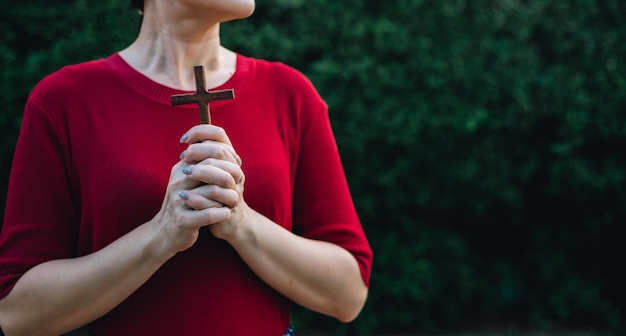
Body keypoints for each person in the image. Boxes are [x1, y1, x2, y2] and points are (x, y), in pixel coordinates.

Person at [0, 0, 373, 335]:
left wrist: (240, 222)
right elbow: (17, 314)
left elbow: (348, 294)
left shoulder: (291, 94)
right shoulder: (65, 101)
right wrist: (161, 235)